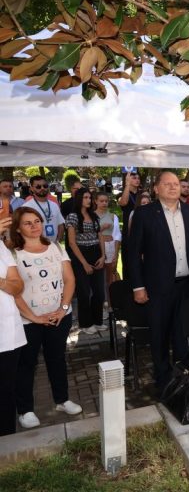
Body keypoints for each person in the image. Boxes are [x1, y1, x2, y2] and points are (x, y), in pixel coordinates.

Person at [126, 171, 189, 392]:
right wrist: (138, 286)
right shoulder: (144, 214)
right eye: (167, 184)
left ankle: (183, 379)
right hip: (157, 287)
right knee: (159, 334)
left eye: (176, 184)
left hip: (188, 285)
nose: (173, 187)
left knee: (183, 333)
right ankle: (163, 380)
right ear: (156, 189)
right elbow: (133, 253)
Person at [10, 207, 81, 429]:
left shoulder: (56, 247)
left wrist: (63, 308)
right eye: (27, 223)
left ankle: (62, 400)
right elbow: (14, 291)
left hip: (59, 316)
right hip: (28, 320)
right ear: (18, 228)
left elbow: (69, 279)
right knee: (27, 364)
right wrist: (34, 317)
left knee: (57, 358)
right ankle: (26, 411)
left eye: (37, 221)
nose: (34, 226)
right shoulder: (12, 254)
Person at [66, 189, 106, 335]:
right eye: (85, 197)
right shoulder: (72, 216)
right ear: (79, 199)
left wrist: (103, 256)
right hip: (80, 255)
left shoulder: (94, 215)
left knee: (99, 292)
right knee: (83, 292)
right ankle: (85, 323)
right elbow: (71, 242)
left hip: (96, 253)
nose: (89, 200)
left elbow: (100, 236)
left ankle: (97, 321)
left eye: (90, 197)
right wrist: (84, 263)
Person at [0, 237, 24, 436]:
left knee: (6, 390)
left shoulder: (1, 247)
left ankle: (8, 444)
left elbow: (17, 286)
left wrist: (1, 282)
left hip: (7, 332)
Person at [94, 192, 122, 312]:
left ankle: (111, 304)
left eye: (106, 201)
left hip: (110, 247)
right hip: (96, 247)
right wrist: (101, 229)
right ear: (96, 201)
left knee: (110, 278)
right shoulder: (91, 216)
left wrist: (116, 253)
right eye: (101, 201)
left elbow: (117, 235)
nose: (104, 203)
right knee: (97, 279)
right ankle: (99, 306)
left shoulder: (112, 216)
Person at [23, 175, 65, 242]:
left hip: (53, 244)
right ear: (31, 189)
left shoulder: (54, 205)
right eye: (38, 187)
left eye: (45, 186)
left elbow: (60, 224)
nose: (42, 188)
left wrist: (58, 241)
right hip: (35, 245)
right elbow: (24, 229)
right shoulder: (26, 207)